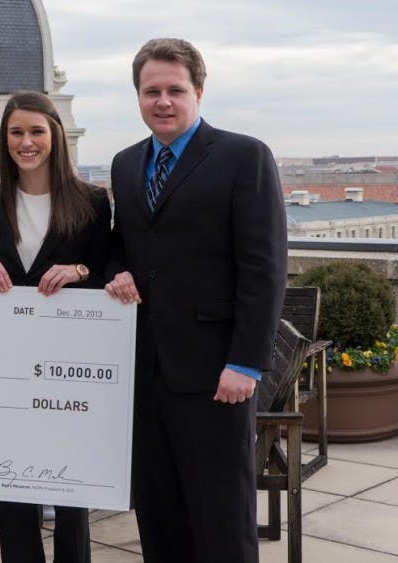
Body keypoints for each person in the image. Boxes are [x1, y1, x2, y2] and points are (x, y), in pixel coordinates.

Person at [104, 38, 287, 562]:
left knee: (222, 522)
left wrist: (247, 362)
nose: (162, 101)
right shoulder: (124, 164)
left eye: (174, 90)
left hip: (216, 377)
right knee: (160, 518)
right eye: (150, 91)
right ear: (138, 97)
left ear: (199, 92)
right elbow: (124, 245)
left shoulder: (242, 156)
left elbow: (264, 267)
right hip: (147, 373)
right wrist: (116, 272)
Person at [0, 91, 111, 563]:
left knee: (71, 490)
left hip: (68, 364)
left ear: (55, 134)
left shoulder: (93, 200)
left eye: (36, 131)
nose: (26, 141)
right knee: (12, 484)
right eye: (16, 132)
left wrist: (77, 272)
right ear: (5, 139)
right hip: (8, 362)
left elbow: (108, 273)